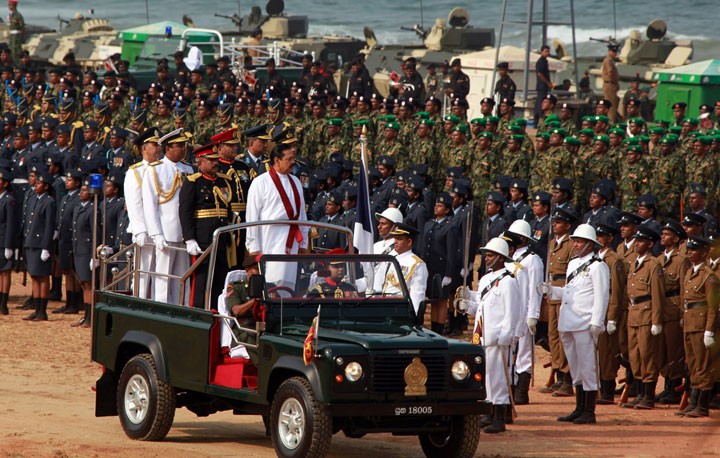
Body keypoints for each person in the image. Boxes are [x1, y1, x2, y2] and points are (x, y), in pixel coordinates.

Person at [546, 224, 610, 425]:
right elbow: (568, 292)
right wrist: (551, 290)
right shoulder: (573, 264)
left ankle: (589, 411)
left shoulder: (598, 266)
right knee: (576, 367)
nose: (575, 244)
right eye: (574, 240)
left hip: (585, 322)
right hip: (568, 321)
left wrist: (597, 322)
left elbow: (602, 296)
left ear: (590, 244)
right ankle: (579, 407)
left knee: (588, 367)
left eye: (579, 241)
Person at [467, 237, 522, 434]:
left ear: (500, 258)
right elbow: (480, 307)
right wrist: (466, 304)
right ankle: (489, 412)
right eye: (486, 255)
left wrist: (507, 335)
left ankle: (500, 416)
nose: (486, 258)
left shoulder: (508, 280)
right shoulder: (485, 279)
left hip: (499, 336)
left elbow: (511, 311)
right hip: (483, 334)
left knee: (499, 377)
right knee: (487, 376)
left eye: (490, 255)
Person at [245, 138, 308, 290]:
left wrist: (304, 241)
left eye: (294, 158)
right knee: (272, 281)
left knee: (289, 282)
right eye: (289, 159)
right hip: (269, 238)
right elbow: (252, 216)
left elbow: (301, 215)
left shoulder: (296, 181)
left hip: (292, 238)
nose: (293, 162)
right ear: (277, 160)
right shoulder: (261, 182)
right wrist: (254, 246)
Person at [142, 128, 194, 305]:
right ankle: (162, 308)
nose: (183, 149)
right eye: (179, 146)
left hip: (184, 231)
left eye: (184, 146)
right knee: (163, 275)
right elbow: (150, 204)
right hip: (166, 228)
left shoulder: (188, 169)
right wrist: (156, 233)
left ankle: (182, 307)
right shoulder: (156, 169)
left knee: (182, 275)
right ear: (168, 149)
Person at [179, 143, 234, 309]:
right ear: (200, 162)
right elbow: (185, 212)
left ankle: (217, 310)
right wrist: (189, 239)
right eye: (210, 160)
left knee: (220, 276)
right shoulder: (193, 182)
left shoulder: (224, 181)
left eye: (216, 159)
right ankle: (198, 311)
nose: (215, 163)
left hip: (222, 238)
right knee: (201, 279)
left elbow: (228, 209)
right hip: (202, 238)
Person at [620, 225, 665, 409]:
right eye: (636, 240)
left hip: (646, 314)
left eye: (641, 241)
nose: (636, 244)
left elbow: (657, 294)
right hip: (633, 314)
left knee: (647, 355)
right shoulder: (633, 264)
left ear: (650, 244)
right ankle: (639, 393)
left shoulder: (653, 265)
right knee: (635, 355)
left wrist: (656, 320)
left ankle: (648, 395)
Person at [676, 237, 718, 418]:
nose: (690, 252)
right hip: (689, 323)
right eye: (690, 249)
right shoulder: (689, 273)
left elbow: (712, 307)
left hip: (701, 326)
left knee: (703, 365)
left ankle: (702, 405)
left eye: (694, 250)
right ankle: (693, 402)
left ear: (704, 253)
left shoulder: (709, 277)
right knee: (692, 365)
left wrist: (709, 330)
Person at [506, 220, 544, 405]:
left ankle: (522, 391)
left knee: (524, 353)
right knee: (510, 351)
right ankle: (511, 387)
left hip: (525, 311)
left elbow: (535, 289)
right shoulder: (507, 257)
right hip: (510, 311)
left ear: (522, 238)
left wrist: (533, 315)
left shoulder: (533, 259)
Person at [124, 128, 160, 299]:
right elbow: (134, 203)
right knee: (142, 272)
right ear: (144, 148)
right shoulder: (135, 171)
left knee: (160, 273)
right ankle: (139, 302)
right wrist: (139, 229)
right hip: (144, 228)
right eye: (154, 145)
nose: (158, 148)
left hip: (161, 228)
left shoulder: (162, 168)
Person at [22, 170, 56, 322]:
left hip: (41, 243)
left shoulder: (49, 202)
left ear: (46, 186)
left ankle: (42, 310)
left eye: (40, 183)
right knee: (34, 277)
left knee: (42, 278)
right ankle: (36, 309)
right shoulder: (33, 199)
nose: (36, 185)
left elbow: (49, 226)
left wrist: (46, 247)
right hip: (31, 242)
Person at [71, 178, 102, 328]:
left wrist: (95, 256)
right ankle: (86, 315)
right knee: (84, 284)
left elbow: (96, 232)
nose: (81, 193)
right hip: (79, 249)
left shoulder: (92, 209)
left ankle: (91, 317)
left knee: (90, 285)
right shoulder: (78, 208)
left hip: (87, 251)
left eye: (84, 190)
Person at [381, 223, 428, 316]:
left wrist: (413, 316)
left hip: (401, 309)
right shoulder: (393, 259)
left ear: (409, 242)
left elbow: (417, 294)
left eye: (399, 239)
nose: (395, 242)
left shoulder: (417, 263)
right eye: (395, 238)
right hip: (386, 306)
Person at [225, 254, 261, 364]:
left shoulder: (268, 286)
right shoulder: (236, 287)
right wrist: (255, 301)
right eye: (256, 269)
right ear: (247, 271)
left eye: (261, 268)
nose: (260, 271)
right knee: (253, 340)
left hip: (264, 326)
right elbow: (236, 310)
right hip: (245, 328)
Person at [0, 168, 17, 315]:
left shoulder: (9, 200)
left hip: (3, 241)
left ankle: (3, 304)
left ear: (5, 184)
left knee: (5, 273)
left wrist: (8, 245)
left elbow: (11, 224)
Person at [534, 45, 553, 125]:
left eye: (548, 51)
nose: (547, 53)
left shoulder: (545, 61)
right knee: (540, 104)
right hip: (542, 86)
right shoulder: (541, 61)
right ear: (542, 52)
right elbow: (540, 74)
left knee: (542, 103)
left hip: (544, 87)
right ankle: (538, 120)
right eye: (546, 51)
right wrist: (548, 83)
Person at [602, 44, 620, 123]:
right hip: (610, 84)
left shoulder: (610, 60)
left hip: (611, 84)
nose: (615, 53)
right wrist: (613, 82)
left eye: (615, 51)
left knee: (613, 105)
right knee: (611, 106)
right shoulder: (608, 61)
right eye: (613, 51)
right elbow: (610, 72)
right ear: (609, 51)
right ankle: (611, 123)